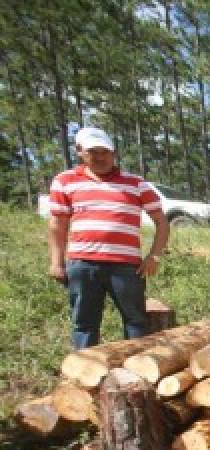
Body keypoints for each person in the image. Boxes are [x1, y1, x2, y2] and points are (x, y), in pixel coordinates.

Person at [47, 126, 170, 349]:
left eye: (105, 152)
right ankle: (84, 374)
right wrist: (56, 262)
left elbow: (162, 221)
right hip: (83, 264)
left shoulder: (136, 184)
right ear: (81, 152)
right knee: (84, 323)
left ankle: (138, 373)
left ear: (113, 153)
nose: (100, 157)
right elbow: (58, 223)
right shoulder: (65, 181)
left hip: (126, 267)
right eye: (93, 152)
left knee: (136, 321)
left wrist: (154, 256)